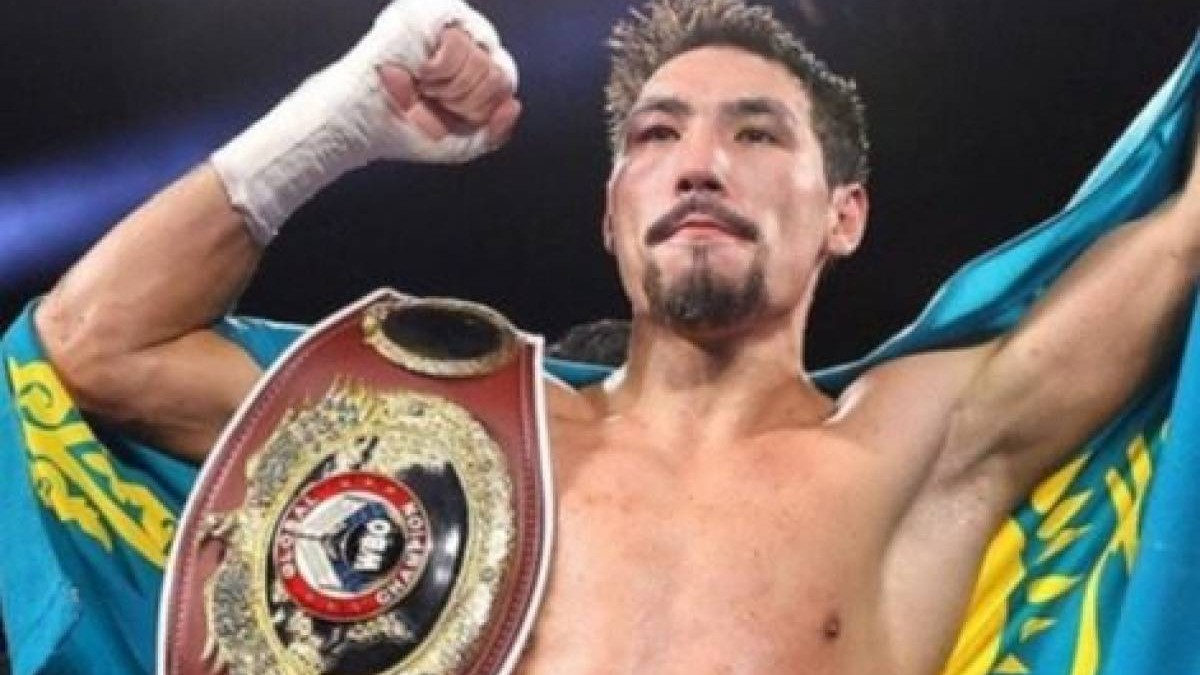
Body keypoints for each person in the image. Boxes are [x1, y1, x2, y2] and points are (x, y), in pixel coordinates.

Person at [15, 0, 1200, 672]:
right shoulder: (448, 427)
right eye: (656, 135)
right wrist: (338, 122)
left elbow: (1179, 239)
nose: (699, 164)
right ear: (611, 212)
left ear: (845, 215)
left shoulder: (917, 450)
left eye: (756, 135)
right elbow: (92, 344)